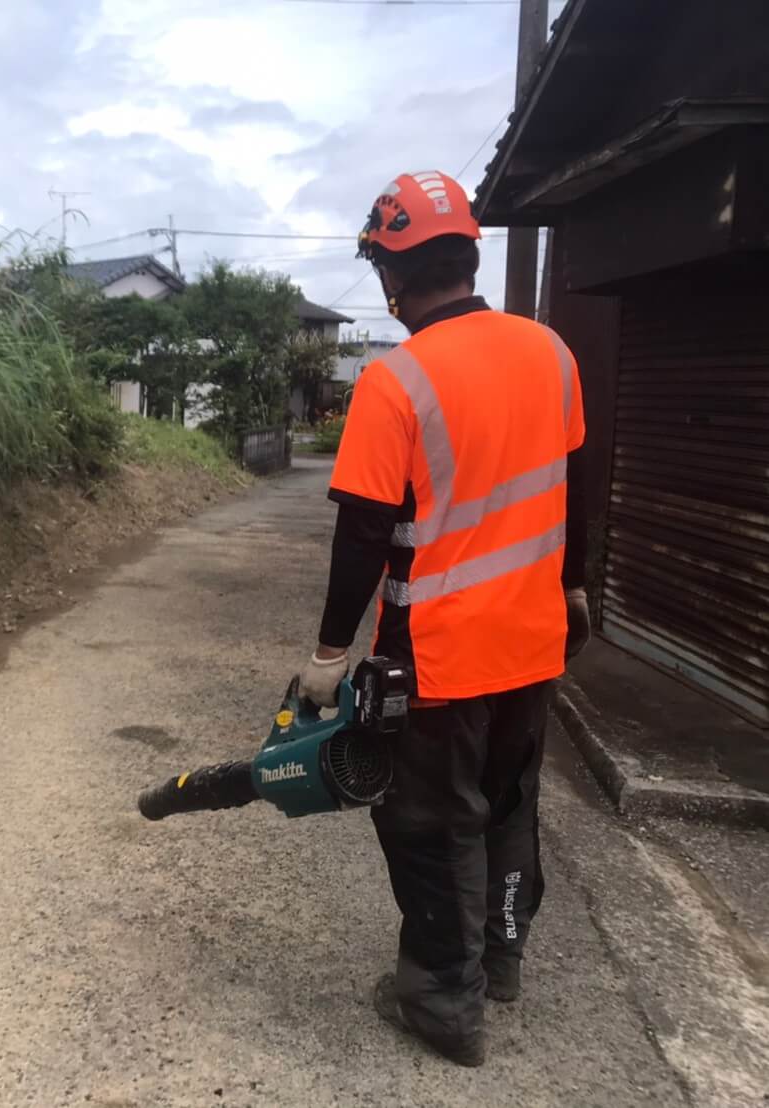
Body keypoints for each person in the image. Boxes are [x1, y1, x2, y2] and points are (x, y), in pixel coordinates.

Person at [296, 170, 591, 1067]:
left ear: (392, 276)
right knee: (506, 804)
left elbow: (362, 533)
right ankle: (500, 958)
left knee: (429, 822)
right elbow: (568, 488)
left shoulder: (395, 382)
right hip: (535, 641)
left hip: (438, 657)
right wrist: (572, 590)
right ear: (468, 254)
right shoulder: (552, 354)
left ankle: (442, 1005)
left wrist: (328, 653)